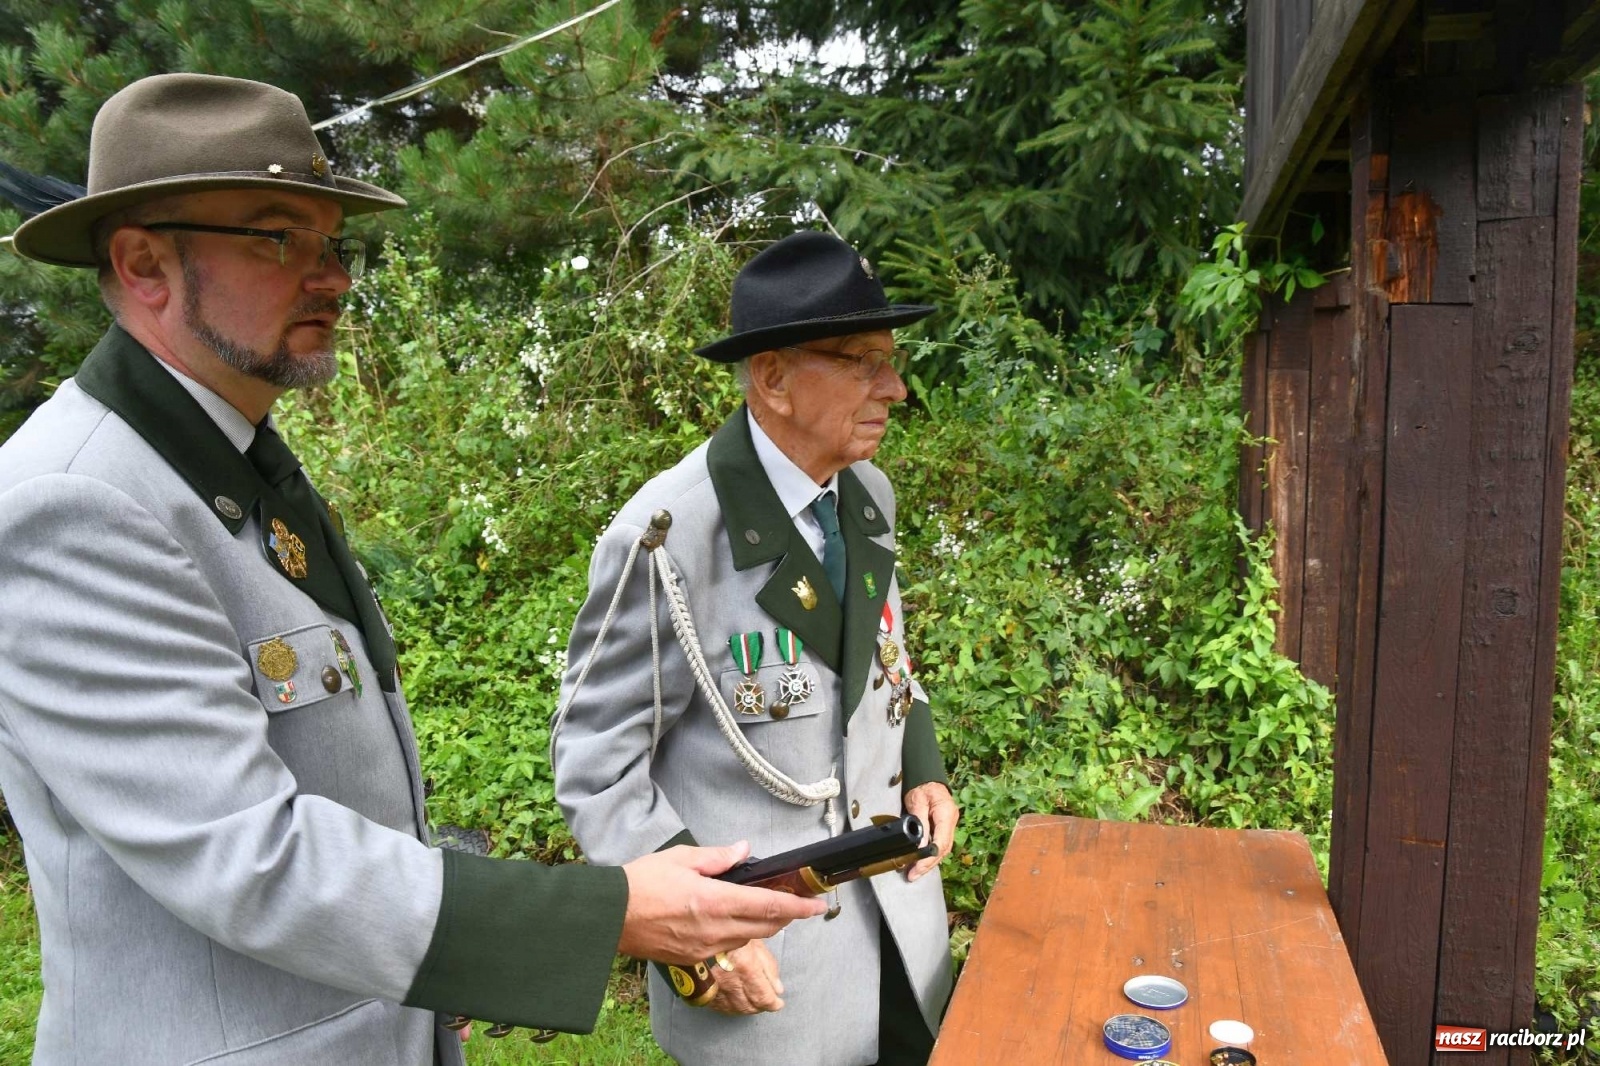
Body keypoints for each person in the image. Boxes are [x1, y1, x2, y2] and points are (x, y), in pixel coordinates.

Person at [0, 73, 823, 1066]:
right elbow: (246, 853)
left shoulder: (229, 456)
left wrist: (442, 944)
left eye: (331, 242)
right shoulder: (74, 501)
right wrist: (605, 912)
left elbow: (340, 783)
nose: (332, 276)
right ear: (143, 264)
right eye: (275, 237)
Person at [551, 230, 959, 1066]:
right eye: (864, 362)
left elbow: (885, 664)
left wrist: (923, 764)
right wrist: (697, 936)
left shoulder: (865, 493)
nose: (897, 388)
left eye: (892, 360)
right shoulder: (669, 536)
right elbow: (595, 762)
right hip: (769, 974)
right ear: (773, 378)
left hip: (901, 932)